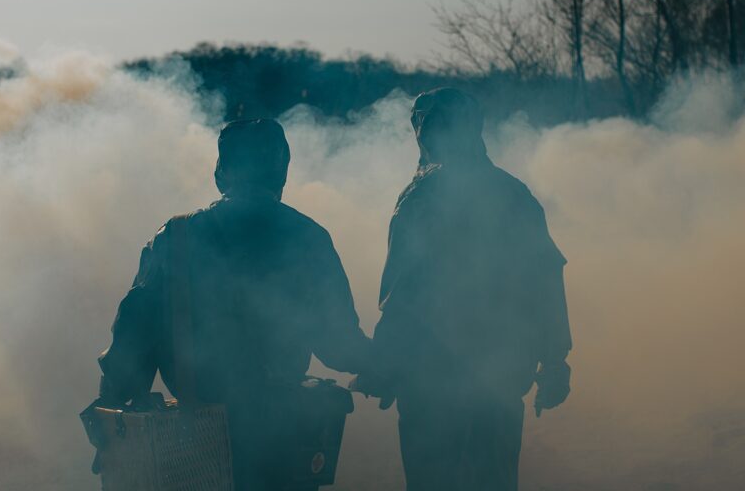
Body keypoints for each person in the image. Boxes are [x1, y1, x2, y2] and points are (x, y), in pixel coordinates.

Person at [88, 118, 371, 490]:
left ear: (221, 172)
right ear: (281, 172)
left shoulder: (176, 235)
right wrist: (386, 368)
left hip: (194, 435)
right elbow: (338, 344)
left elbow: (135, 328)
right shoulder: (309, 237)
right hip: (284, 436)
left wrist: (111, 407)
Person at [353, 88, 572, 491]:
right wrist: (555, 362)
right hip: (501, 378)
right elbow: (545, 280)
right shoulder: (514, 194)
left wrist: (383, 366)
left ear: (425, 132)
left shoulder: (421, 197)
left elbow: (403, 295)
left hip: (430, 382)